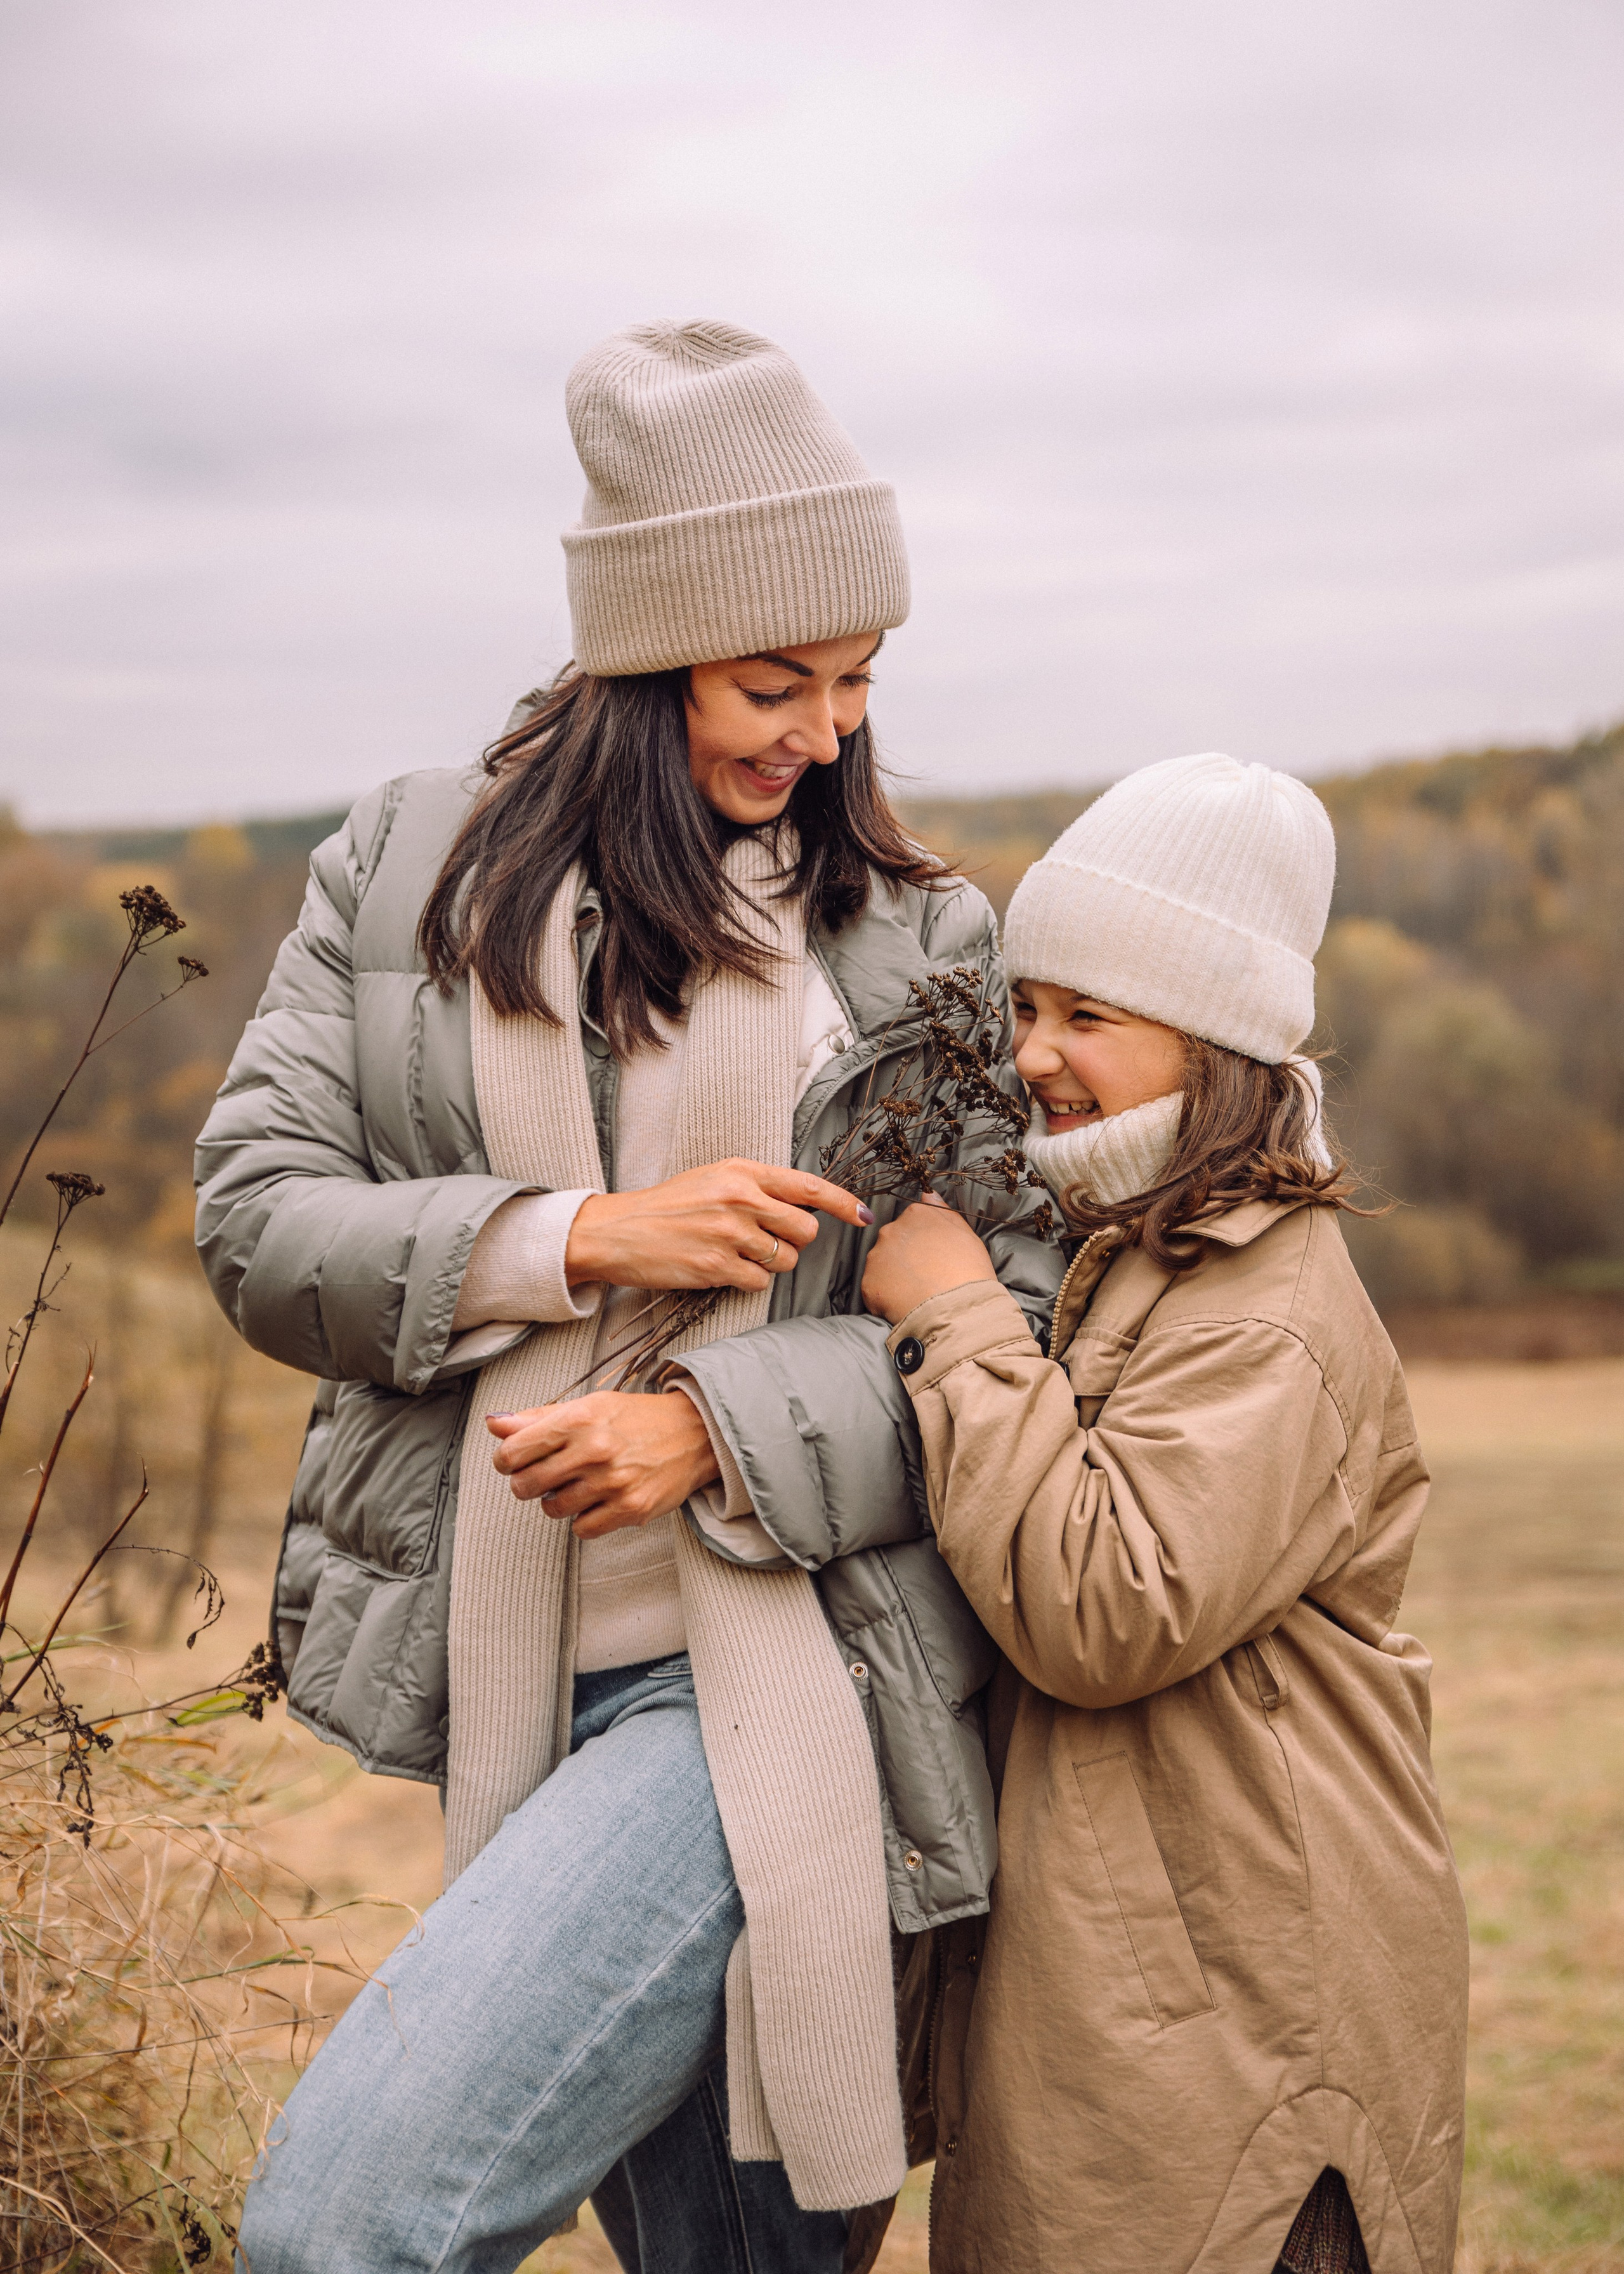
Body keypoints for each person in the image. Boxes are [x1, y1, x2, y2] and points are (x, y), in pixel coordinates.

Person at [198, 320, 1058, 2274]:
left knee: (345, 2226)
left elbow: (1004, 1314)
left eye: (856, 681)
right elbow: (255, 1216)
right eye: (777, 679)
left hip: (780, 1678)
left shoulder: (919, 941)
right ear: (636, 657)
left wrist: (710, 1426)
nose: (826, 731)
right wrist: (586, 1236)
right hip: (507, 1676)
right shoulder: (403, 871)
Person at [861, 753, 1470, 2274]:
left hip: (1242, 2019)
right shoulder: (1138, 1248)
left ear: (1217, 1044)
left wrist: (954, 1324)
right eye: (1027, 1006)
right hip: (1147, 1998)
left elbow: (1102, 1610)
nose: (1036, 1055)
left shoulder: (1257, 1306)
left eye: (1088, 1018)